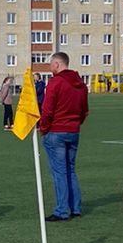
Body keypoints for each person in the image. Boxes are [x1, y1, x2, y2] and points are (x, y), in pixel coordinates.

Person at [39, 51, 89, 221]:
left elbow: (47, 109)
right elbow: (84, 110)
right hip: (73, 131)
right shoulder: (81, 84)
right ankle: (75, 207)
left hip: (56, 131)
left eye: (51, 63)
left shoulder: (55, 83)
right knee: (70, 170)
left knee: (59, 172)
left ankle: (62, 210)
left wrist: (43, 129)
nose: (49, 67)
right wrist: (75, 124)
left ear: (57, 64)